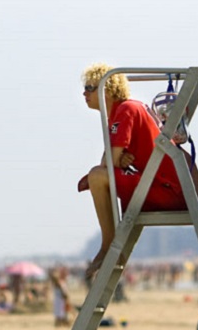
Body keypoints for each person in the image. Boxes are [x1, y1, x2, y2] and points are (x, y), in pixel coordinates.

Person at [78, 63, 187, 276]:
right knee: (100, 175)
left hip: (163, 189)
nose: (84, 93)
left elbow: (108, 163)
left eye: (90, 88)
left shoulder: (125, 110)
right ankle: (109, 245)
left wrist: (116, 161)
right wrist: (118, 160)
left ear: (107, 89)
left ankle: (108, 245)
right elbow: (112, 158)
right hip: (166, 185)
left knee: (98, 177)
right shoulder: (127, 109)